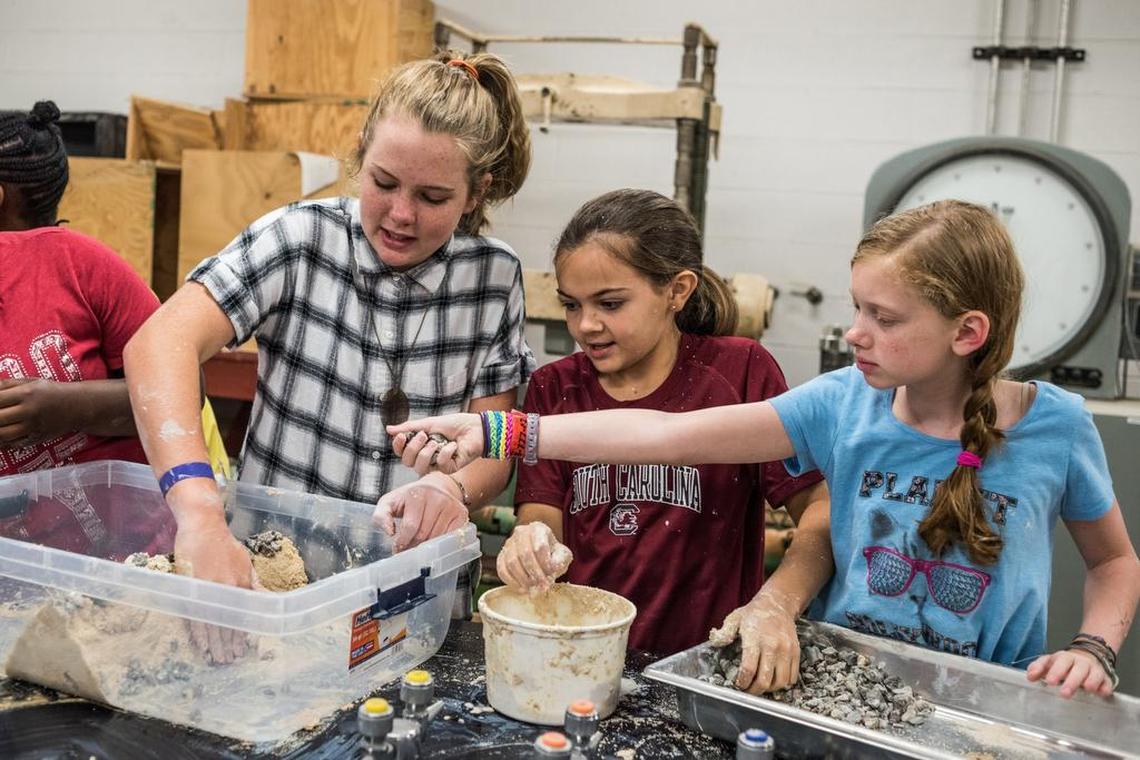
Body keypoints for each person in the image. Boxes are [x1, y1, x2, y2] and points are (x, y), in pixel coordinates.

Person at [389, 200, 1140, 698]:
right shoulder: (842, 402)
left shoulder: (1059, 427)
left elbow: (1113, 562)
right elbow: (667, 434)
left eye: (883, 317)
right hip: (845, 687)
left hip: (988, 703)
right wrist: (499, 431)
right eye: (856, 309)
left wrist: (1096, 648)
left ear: (966, 333)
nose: (854, 333)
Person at [123, 51, 535, 611]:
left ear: (477, 192)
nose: (401, 214)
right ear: (361, 152)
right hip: (273, 580)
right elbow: (158, 344)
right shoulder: (299, 240)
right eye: (384, 182)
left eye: (433, 198)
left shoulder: (493, 277)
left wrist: (449, 488)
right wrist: (198, 511)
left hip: (413, 593)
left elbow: (495, 444)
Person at [461, 188, 826, 656]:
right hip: (587, 655)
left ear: (677, 290)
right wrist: (531, 544)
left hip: (706, 659)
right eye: (571, 304)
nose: (586, 325)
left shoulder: (741, 373)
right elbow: (542, 516)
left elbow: (819, 510)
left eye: (610, 304)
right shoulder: (557, 386)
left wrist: (777, 603)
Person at [0, 101, 181, 554]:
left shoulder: (80, 264)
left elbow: (184, 387)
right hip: (19, 573)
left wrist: (58, 406)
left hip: (127, 558)